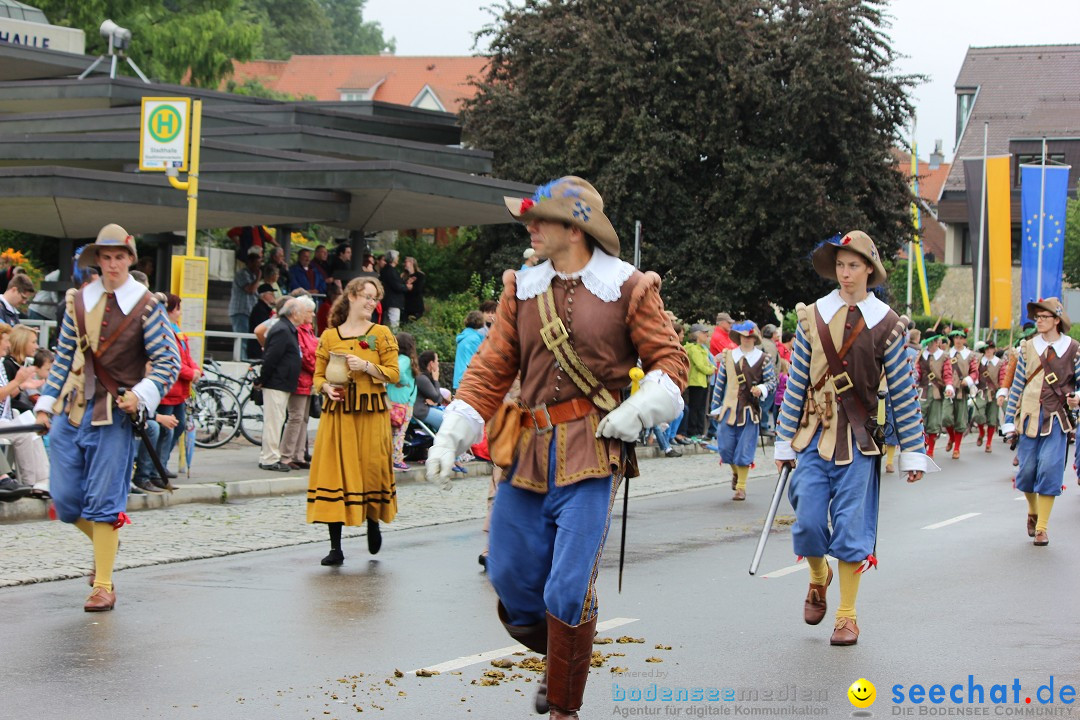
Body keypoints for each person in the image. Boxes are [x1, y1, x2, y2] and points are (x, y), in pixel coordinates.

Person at [425, 176, 688, 718]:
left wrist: (639, 408)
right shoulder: (521, 287)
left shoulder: (629, 286)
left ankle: (565, 703)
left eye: (539, 219)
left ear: (574, 228)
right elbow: (492, 368)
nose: (530, 228)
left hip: (594, 450)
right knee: (509, 578)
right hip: (526, 451)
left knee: (567, 587)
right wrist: (453, 429)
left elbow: (671, 362)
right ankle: (565, 656)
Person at [774, 231, 935, 646]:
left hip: (860, 439)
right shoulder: (813, 316)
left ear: (870, 270)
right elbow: (796, 384)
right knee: (807, 521)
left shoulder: (888, 323)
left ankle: (846, 615)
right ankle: (817, 576)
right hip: (812, 434)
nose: (845, 275)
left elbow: (901, 390)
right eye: (840, 266)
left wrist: (914, 452)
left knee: (850, 527)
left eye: (854, 266)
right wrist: (783, 440)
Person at [33, 223, 180, 611]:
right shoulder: (78, 300)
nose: (113, 264)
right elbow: (64, 356)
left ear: (130, 259)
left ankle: (103, 583)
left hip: (113, 415)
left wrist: (141, 394)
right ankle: (106, 543)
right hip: (70, 410)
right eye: (106, 257)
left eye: (119, 257)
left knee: (103, 502)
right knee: (65, 503)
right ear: (97, 260)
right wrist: (45, 402)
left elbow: (168, 361)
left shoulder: (147, 304)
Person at [307, 277, 400, 565]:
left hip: (371, 414)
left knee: (371, 470)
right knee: (334, 474)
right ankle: (336, 547)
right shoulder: (330, 336)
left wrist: (367, 366)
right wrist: (325, 388)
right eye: (368, 297)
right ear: (352, 296)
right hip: (339, 415)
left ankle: (373, 521)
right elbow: (317, 376)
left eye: (375, 298)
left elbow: (394, 373)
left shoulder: (381, 333)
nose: (372, 303)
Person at [1001, 298, 1079, 547]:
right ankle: (1032, 511)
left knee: (1049, 470)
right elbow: (1017, 386)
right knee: (1026, 473)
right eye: (1037, 317)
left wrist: (1078, 397)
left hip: (1057, 418)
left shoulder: (1073, 348)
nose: (1039, 320)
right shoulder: (1027, 347)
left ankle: (1042, 528)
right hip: (1029, 417)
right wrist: (1008, 422)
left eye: (1045, 316)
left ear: (1057, 320)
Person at [710, 320, 776, 500]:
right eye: (744, 336)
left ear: (755, 338)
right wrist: (715, 407)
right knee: (725, 448)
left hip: (749, 411)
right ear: (739, 337)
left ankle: (741, 487)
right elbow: (720, 384)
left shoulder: (764, 358)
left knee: (744, 449)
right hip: (729, 409)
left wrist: (761, 389)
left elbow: (772, 382)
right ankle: (736, 473)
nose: (747, 339)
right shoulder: (728, 356)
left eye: (750, 336)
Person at [0, 322, 50, 499]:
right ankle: (28, 484)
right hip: (3, 420)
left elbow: (8, 394)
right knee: (24, 433)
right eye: (6, 341)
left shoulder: (2, 364)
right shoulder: (6, 364)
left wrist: (22, 386)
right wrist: (18, 382)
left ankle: (42, 481)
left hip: (6, 417)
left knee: (31, 430)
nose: (9, 344)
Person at [257, 297, 306, 472]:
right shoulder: (283, 330)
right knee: (274, 421)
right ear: (294, 313)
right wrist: (263, 378)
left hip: (282, 382)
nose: (304, 316)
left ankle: (270, 456)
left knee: (277, 420)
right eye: (301, 312)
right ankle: (269, 458)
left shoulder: (287, 328)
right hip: (277, 382)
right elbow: (271, 357)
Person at [157, 294, 201, 479]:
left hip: (179, 390)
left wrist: (197, 369)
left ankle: (162, 463)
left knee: (179, 426)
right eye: (178, 309)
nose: (180, 313)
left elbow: (185, 356)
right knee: (167, 430)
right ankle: (157, 467)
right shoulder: (163, 331)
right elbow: (171, 360)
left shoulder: (177, 330)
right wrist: (191, 373)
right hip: (169, 388)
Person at [280, 295, 318, 470]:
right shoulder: (300, 330)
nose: (312, 315)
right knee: (296, 417)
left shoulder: (308, 329)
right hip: (301, 378)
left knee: (303, 418)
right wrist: (316, 368)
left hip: (308, 379)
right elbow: (304, 355)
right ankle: (287, 454)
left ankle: (298, 454)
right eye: (310, 312)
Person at [916, 334, 953, 458]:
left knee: (934, 421)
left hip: (937, 391)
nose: (931, 344)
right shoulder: (920, 355)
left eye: (934, 342)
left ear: (937, 342)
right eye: (930, 342)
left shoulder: (944, 357)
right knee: (920, 420)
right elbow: (918, 372)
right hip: (922, 392)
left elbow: (947, 373)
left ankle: (930, 450)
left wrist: (948, 386)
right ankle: (921, 446)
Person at [943, 329, 978, 459]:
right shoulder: (946, 354)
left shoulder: (970, 355)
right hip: (948, 390)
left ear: (964, 340)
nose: (958, 340)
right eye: (955, 338)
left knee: (960, 420)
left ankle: (956, 448)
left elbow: (975, 372)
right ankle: (951, 438)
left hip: (962, 391)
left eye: (960, 338)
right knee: (945, 418)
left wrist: (968, 380)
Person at [387, 331, 418, 471]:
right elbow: (398, 372)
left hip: (392, 400)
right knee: (400, 432)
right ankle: (397, 460)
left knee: (390, 432)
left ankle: (389, 458)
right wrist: (404, 381)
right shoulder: (405, 359)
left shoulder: (395, 358)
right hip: (403, 403)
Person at [972, 340, 1005, 454]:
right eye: (986, 348)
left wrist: (1001, 391)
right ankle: (981, 432)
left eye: (991, 348)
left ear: (994, 349)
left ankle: (989, 443)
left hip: (994, 393)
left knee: (992, 419)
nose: (988, 351)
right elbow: (974, 374)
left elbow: (1002, 378)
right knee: (978, 414)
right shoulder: (979, 362)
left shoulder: (1000, 363)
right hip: (981, 392)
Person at [684, 323, 715, 440]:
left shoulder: (702, 348)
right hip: (695, 382)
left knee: (702, 408)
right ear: (697, 335)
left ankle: (700, 430)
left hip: (703, 382)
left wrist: (711, 368)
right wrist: (711, 370)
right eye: (704, 333)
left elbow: (707, 363)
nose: (706, 335)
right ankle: (693, 431)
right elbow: (700, 365)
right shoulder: (694, 349)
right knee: (695, 408)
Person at [229, 247, 262, 356]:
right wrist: (258, 277)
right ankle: (239, 359)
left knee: (248, 339)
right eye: (257, 263)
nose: (258, 266)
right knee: (241, 338)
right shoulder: (242, 274)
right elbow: (250, 289)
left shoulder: (253, 275)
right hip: (240, 311)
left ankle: (244, 358)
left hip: (249, 311)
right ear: (250, 262)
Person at [413, 350, 446, 431]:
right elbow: (437, 398)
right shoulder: (421, 377)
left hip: (423, 410)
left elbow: (438, 398)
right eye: (437, 361)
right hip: (420, 412)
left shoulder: (423, 376)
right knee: (448, 422)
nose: (438, 363)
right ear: (431, 363)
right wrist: (436, 380)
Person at [453, 311, 486, 391]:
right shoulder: (475, 339)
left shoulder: (463, 336)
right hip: (469, 379)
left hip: (459, 377)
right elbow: (479, 359)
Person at [379, 250, 408, 328]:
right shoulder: (390, 270)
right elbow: (396, 285)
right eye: (397, 257)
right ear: (393, 258)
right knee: (393, 325)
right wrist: (406, 287)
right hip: (393, 302)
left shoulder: (386, 269)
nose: (398, 258)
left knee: (388, 324)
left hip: (388, 301)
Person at [247, 284, 277, 360]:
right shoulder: (259, 309)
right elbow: (263, 329)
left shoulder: (264, 308)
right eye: (270, 294)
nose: (273, 296)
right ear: (264, 295)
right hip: (257, 349)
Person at [403, 256, 426, 322]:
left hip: (416, 305)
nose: (404, 264)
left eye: (406, 262)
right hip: (406, 306)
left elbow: (419, 289)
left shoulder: (420, 275)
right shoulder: (404, 276)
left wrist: (409, 286)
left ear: (411, 262)